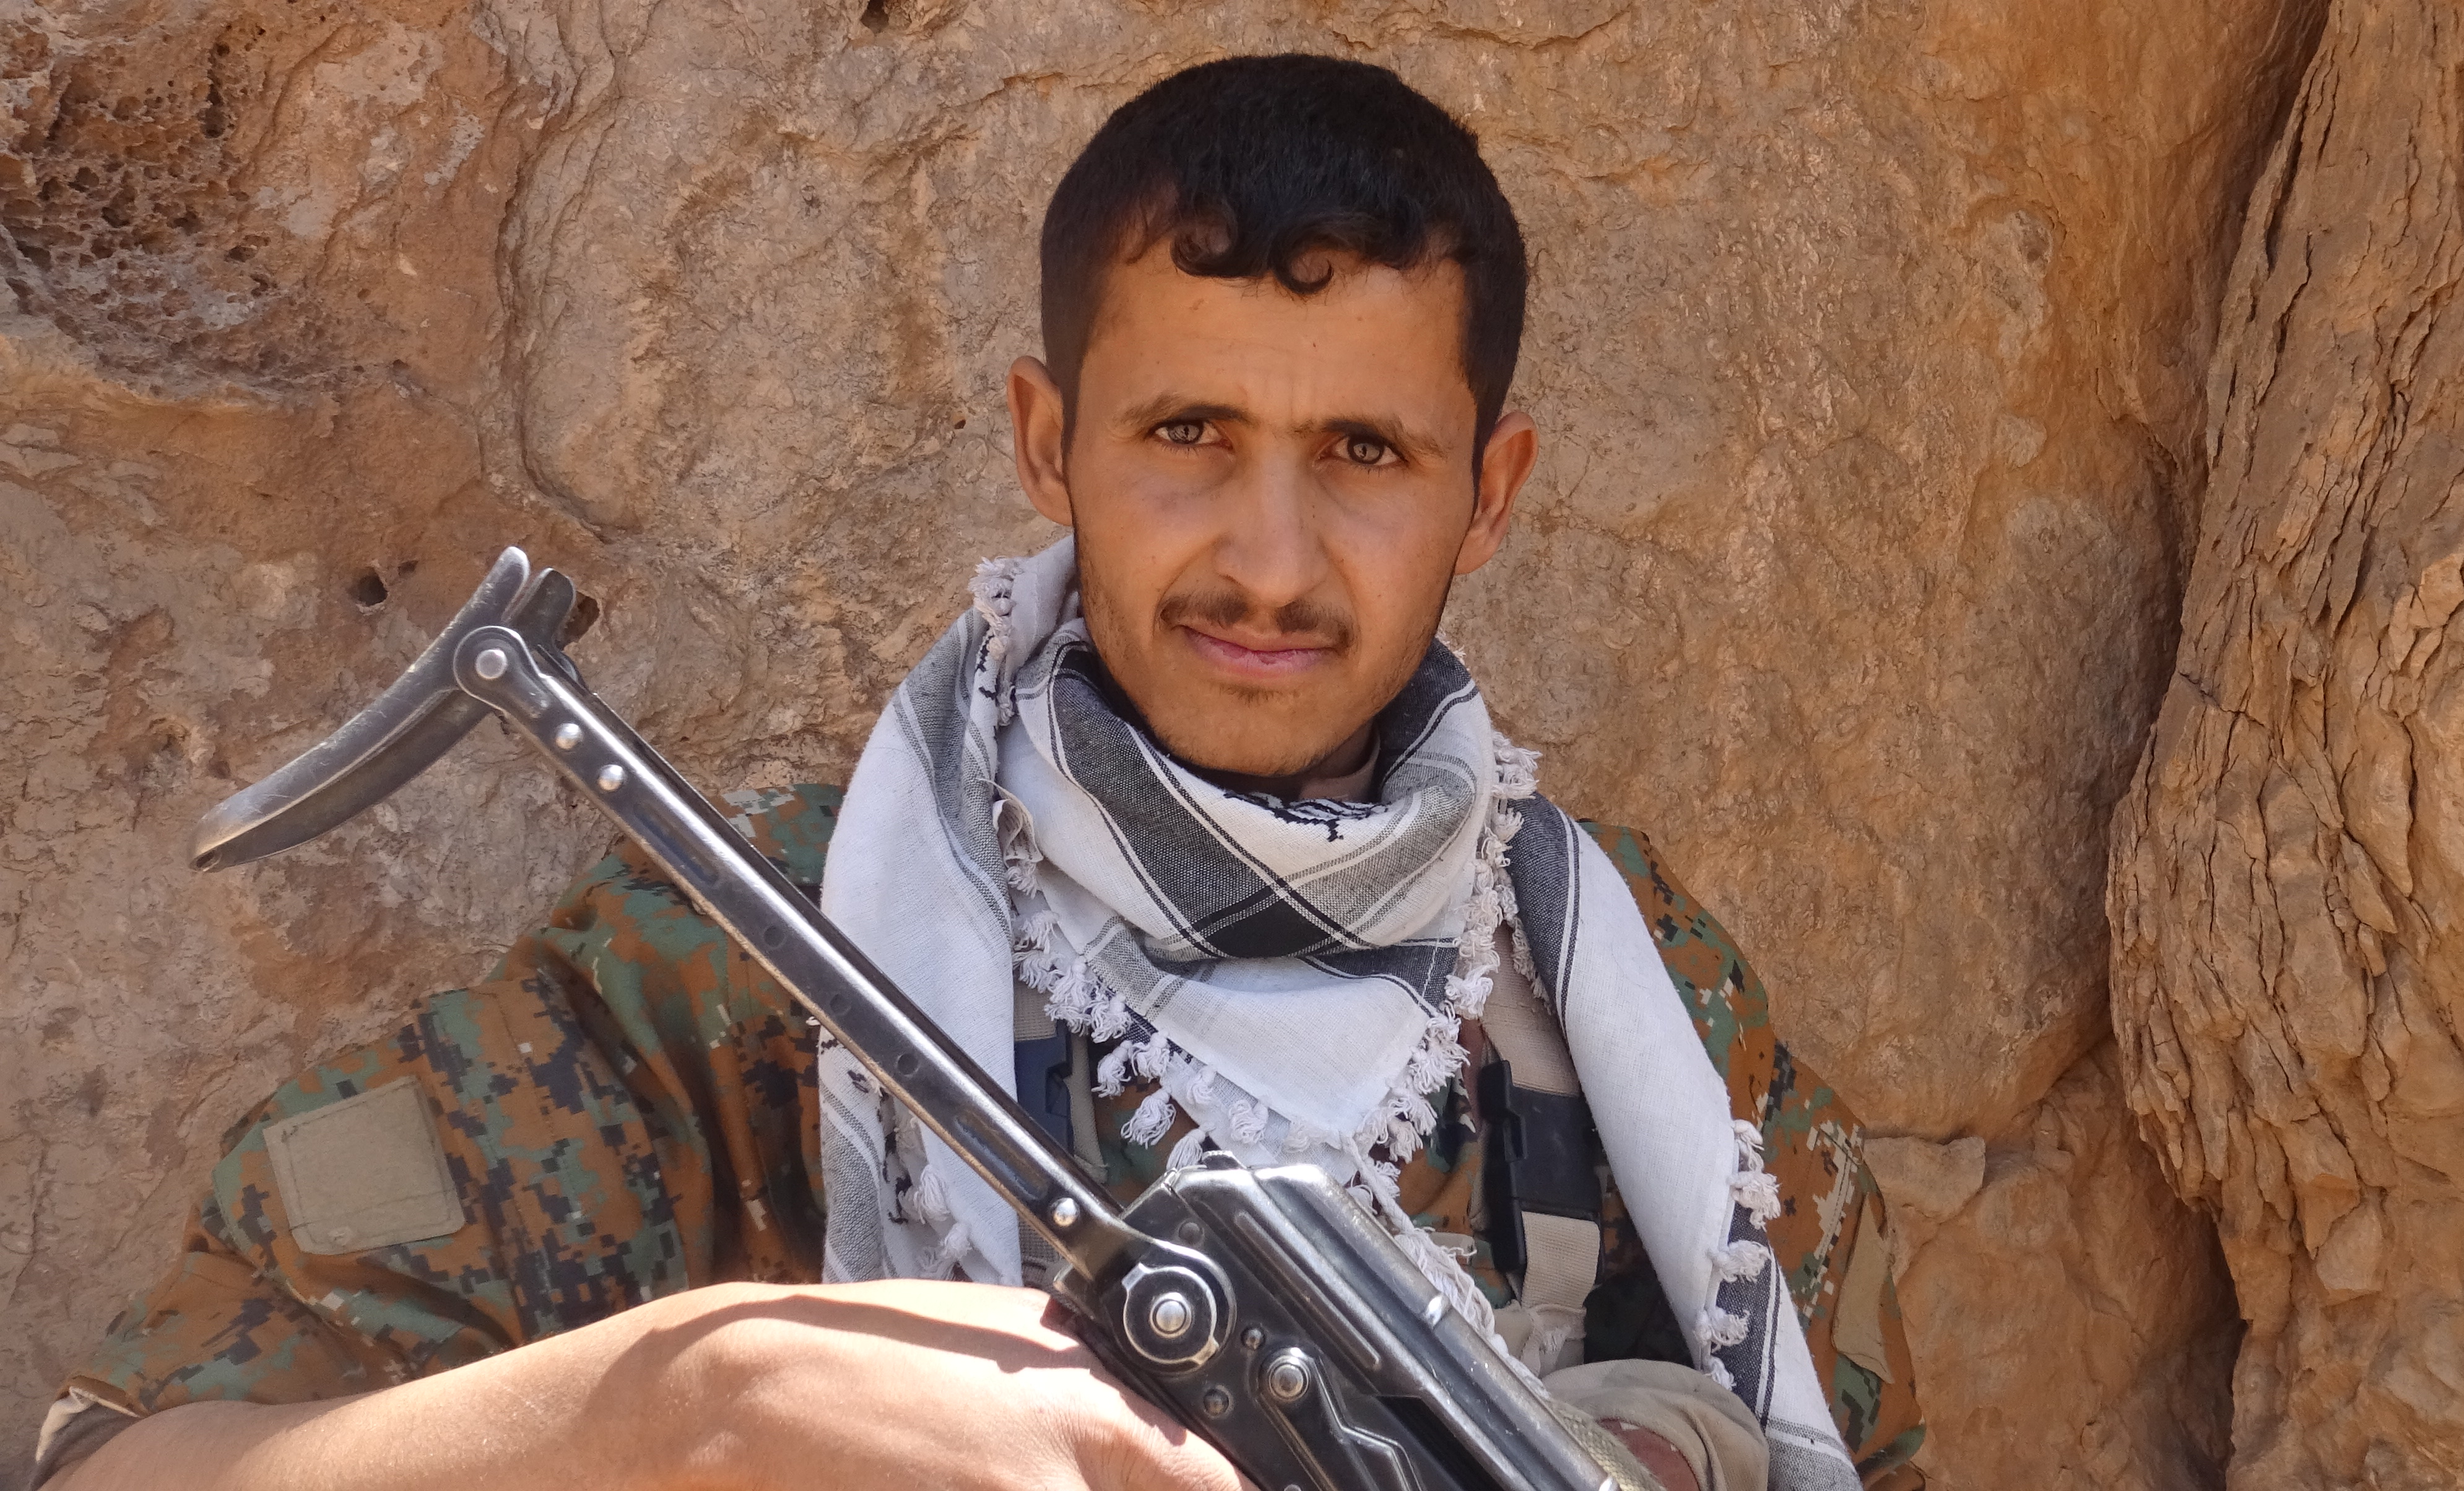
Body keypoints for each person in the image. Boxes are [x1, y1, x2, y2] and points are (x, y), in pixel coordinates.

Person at [34, 54, 1927, 1491]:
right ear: (1048, 441)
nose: (1270, 560)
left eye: (1364, 453)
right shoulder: (765, 962)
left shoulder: (1628, 1010)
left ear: (1488, 495)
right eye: (1188, 433)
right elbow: (128, 1462)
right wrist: (686, 1405)